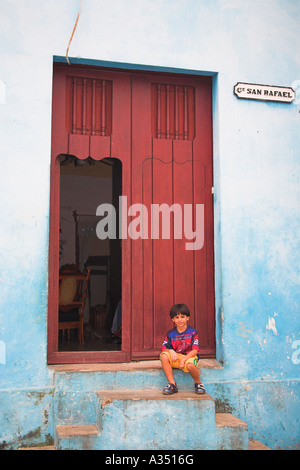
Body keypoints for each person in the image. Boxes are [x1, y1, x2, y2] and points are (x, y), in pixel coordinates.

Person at [160, 303, 205, 395]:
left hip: (189, 357)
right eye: (177, 317)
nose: (180, 320)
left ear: (187, 318)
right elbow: (164, 347)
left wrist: (184, 359)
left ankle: (198, 383)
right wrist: (171, 351)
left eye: (182, 317)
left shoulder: (192, 332)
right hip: (176, 358)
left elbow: (195, 350)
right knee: (164, 356)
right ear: (173, 320)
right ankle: (172, 384)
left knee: (190, 366)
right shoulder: (170, 334)